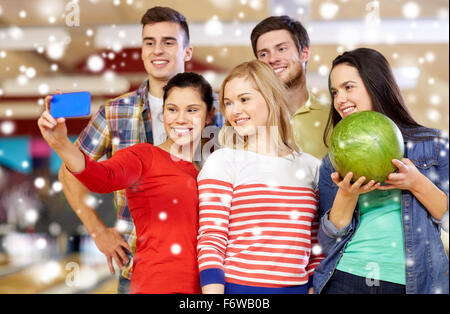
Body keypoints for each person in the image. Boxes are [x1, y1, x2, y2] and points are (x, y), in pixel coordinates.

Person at [57, 6, 222, 293]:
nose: (158, 50)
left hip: (211, 270)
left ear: (187, 51)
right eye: (150, 42)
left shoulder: (219, 110)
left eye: (169, 42)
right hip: (142, 269)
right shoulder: (115, 111)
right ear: (143, 50)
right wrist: (96, 230)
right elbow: (71, 171)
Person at [39, 72, 215, 294]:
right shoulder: (144, 157)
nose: (180, 118)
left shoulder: (214, 167)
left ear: (210, 115)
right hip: (157, 285)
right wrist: (62, 143)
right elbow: (102, 177)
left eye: (192, 110)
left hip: (210, 288)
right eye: (172, 109)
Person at [313, 48, 449, 294]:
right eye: (335, 92)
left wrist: (416, 182)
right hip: (347, 277)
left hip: (415, 283)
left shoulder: (432, 144)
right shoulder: (333, 161)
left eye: (348, 87)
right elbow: (327, 241)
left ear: (375, 85)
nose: (340, 99)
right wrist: (346, 195)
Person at [197, 60, 324, 294]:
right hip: (239, 291)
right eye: (228, 103)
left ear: (271, 96)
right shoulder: (223, 161)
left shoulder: (312, 167)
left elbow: (317, 242)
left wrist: (313, 288)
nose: (234, 111)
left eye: (244, 99)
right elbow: (211, 240)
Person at [250, 15, 330, 159]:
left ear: (304, 54)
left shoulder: (333, 116)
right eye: (263, 54)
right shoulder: (249, 119)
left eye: (281, 49)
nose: (272, 59)